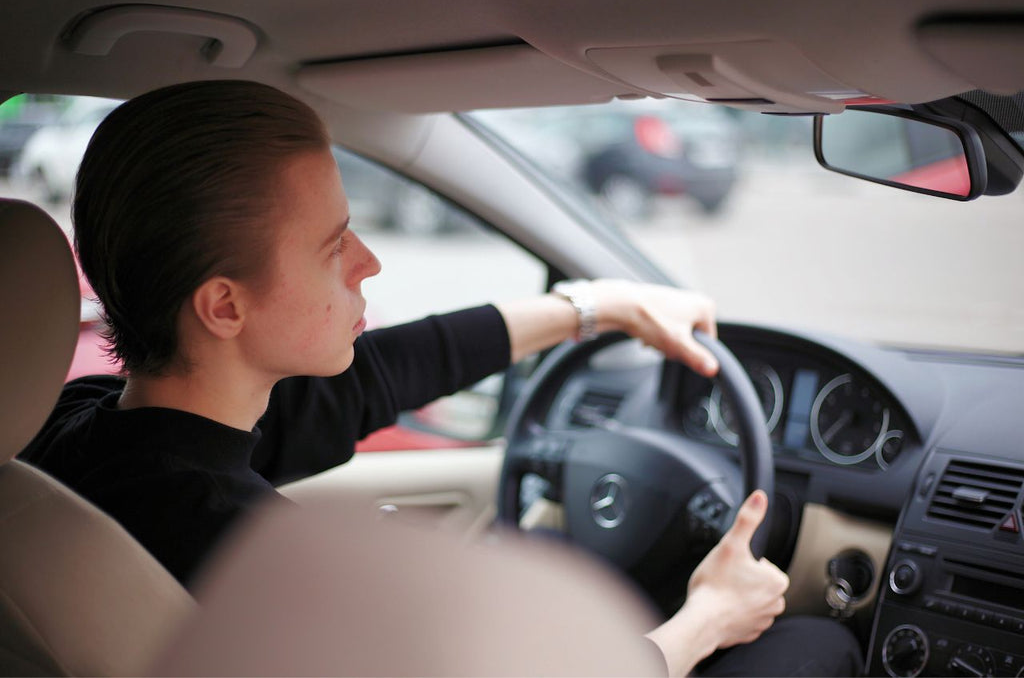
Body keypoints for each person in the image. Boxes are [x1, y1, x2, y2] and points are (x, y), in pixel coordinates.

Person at [22, 80, 861, 677]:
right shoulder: (257, 560)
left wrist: (591, 305)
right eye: (332, 244)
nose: (370, 260)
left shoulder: (76, 432)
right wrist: (708, 619)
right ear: (225, 307)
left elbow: (374, 378)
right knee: (813, 649)